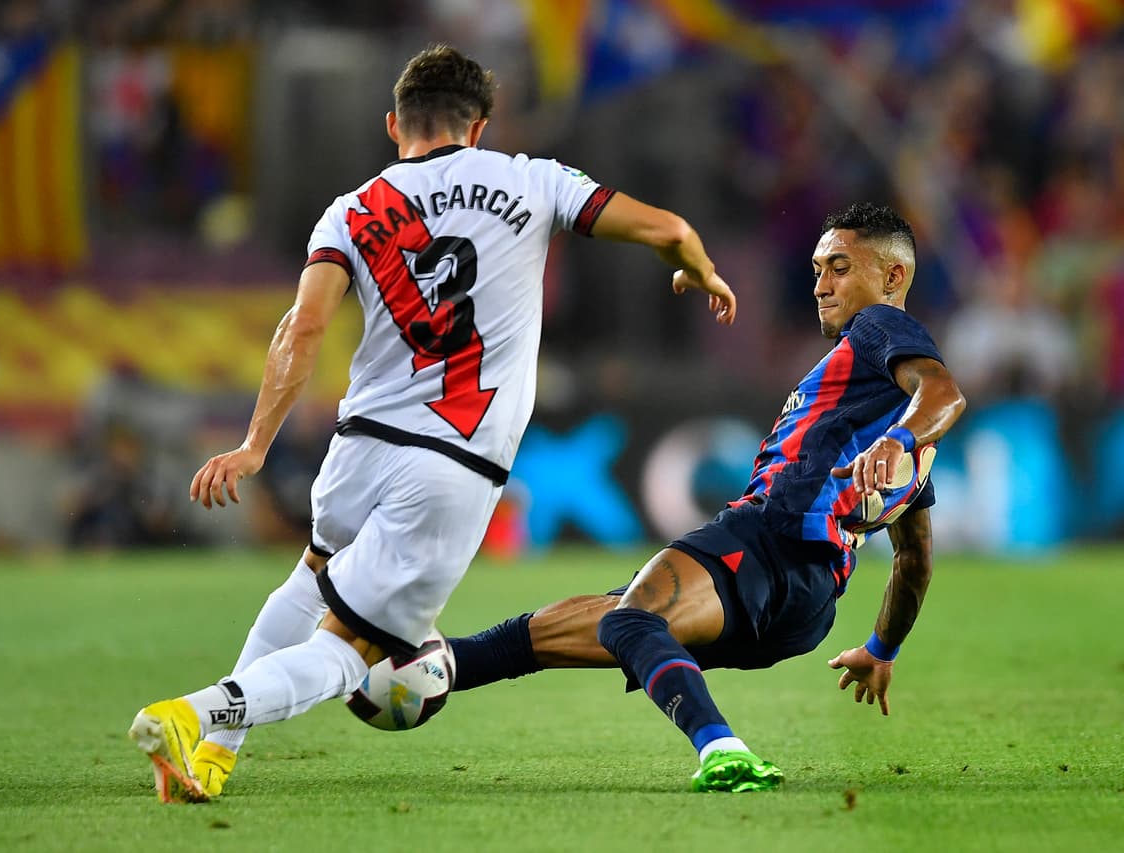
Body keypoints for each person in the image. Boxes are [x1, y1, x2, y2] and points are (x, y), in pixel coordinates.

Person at [127, 44, 737, 803]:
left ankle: (213, 755)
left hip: (357, 452)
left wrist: (256, 443)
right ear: (478, 127)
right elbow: (668, 227)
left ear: (394, 125)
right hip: (449, 465)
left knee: (308, 583)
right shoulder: (533, 180)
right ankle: (193, 713)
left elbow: (302, 329)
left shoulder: (350, 210)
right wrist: (698, 268)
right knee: (351, 653)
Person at [441, 202, 967, 793]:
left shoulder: (880, 331)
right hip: (809, 606)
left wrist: (897, 439)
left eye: (839, 268)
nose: (820, 285)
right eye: (818, 269)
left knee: (632, 620)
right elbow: (913, 560)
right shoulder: (900, 444)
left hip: (772, 538)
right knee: (611, 621)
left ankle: (721, 747)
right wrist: (879, 649)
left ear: (892, 277)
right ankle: (441, 665)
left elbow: (945, 392)